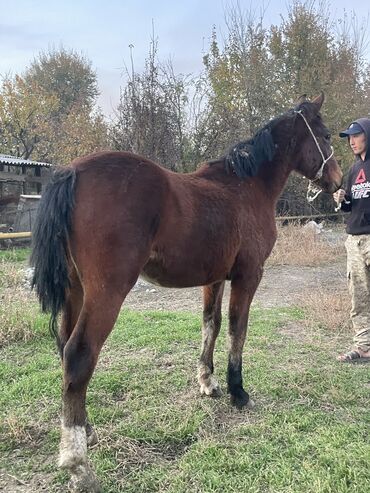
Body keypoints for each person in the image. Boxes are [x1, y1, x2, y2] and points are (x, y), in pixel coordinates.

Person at [333, 118, 370, 363]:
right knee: (359, 297)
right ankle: (364, 346)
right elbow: (350, 207)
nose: (351, 141)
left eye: (356, 135)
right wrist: (342, 198)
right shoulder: (354, 170)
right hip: (354, 240)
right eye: (349, 137)